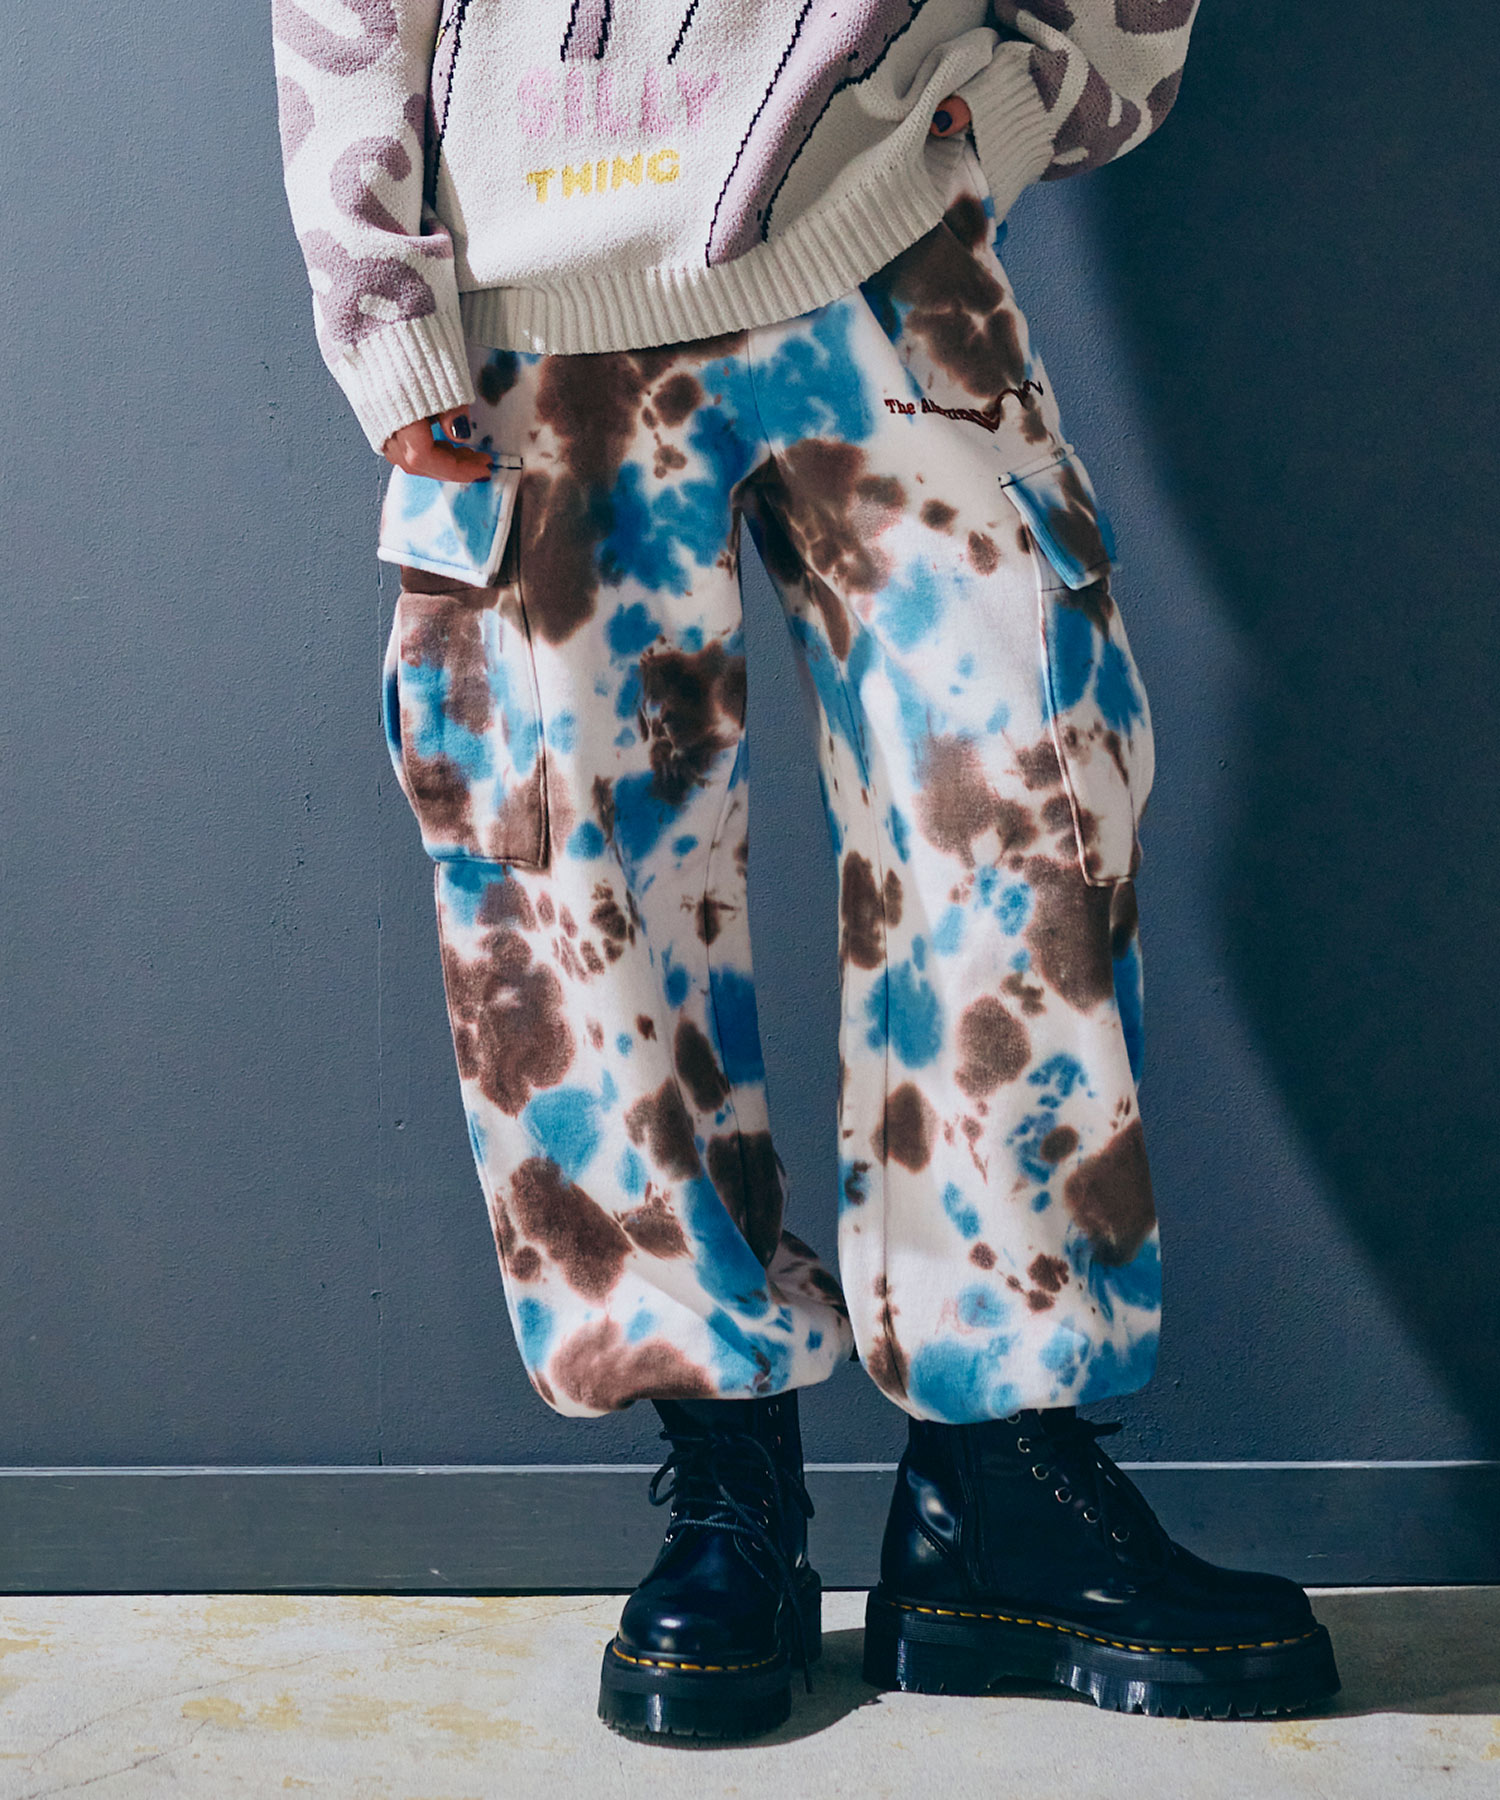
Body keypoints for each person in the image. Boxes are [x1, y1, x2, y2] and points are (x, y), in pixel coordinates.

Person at [272, 0, 1339, 1738]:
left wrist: (1020, 99)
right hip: (530, 297)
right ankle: (728, 1486)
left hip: (887, 246)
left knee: (1024, 814)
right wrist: (381, 309)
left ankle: (1000, 1490)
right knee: (569, 888)